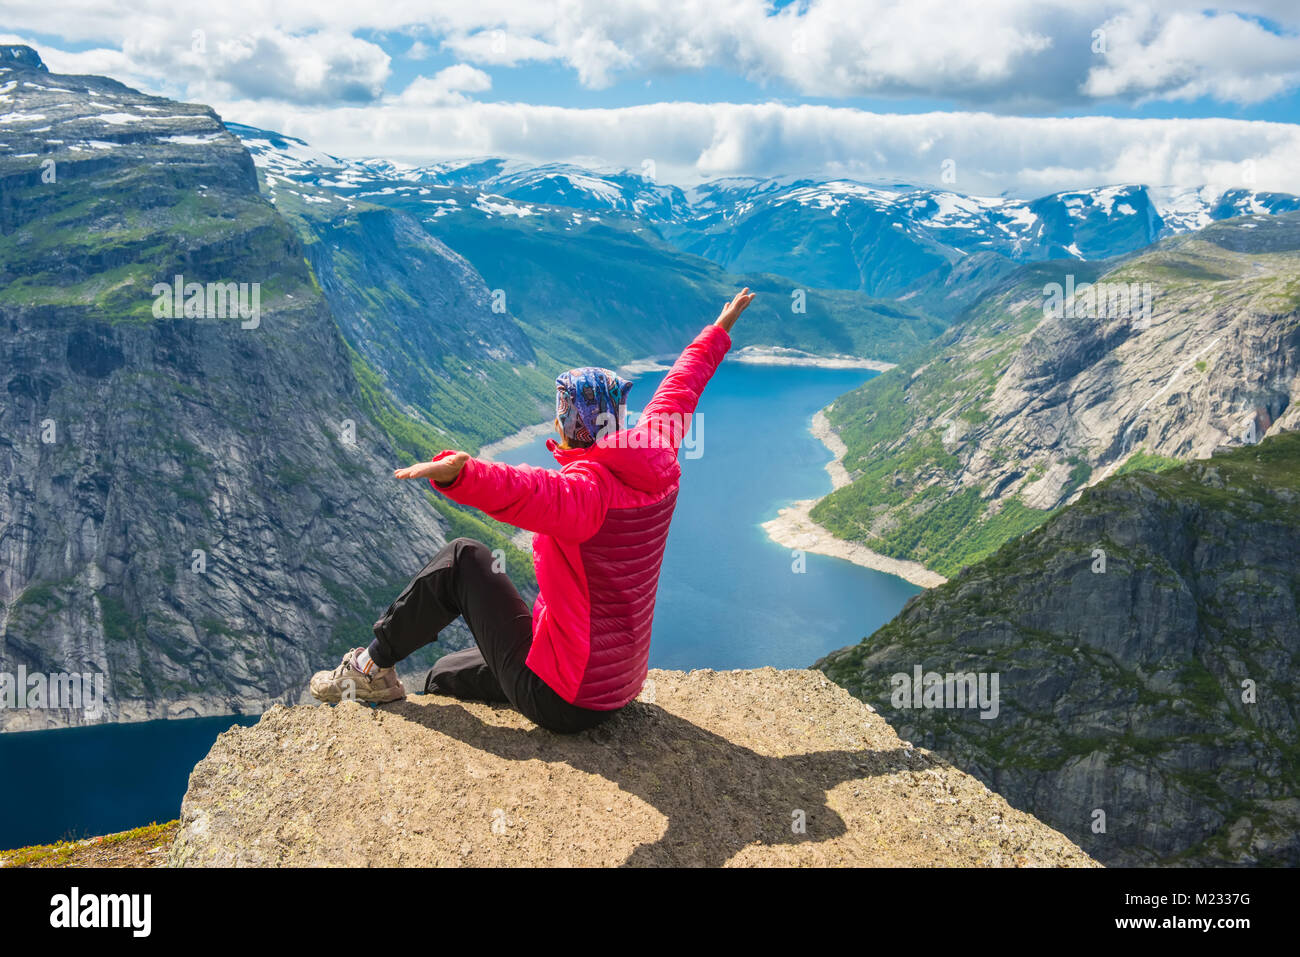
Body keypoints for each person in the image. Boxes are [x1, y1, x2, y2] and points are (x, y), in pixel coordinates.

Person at [310, 288, 757, 732]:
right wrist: (717, 331)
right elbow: (680, 388)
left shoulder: (588, 493)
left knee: (463, 558)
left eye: (560, 415)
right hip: (617, 683)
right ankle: (395, 677)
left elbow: (522, 490)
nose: (555, 423)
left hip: (565, 696)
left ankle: (367, 670)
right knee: (443, 674)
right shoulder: (657, 452)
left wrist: (459, 474)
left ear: (571, 424)